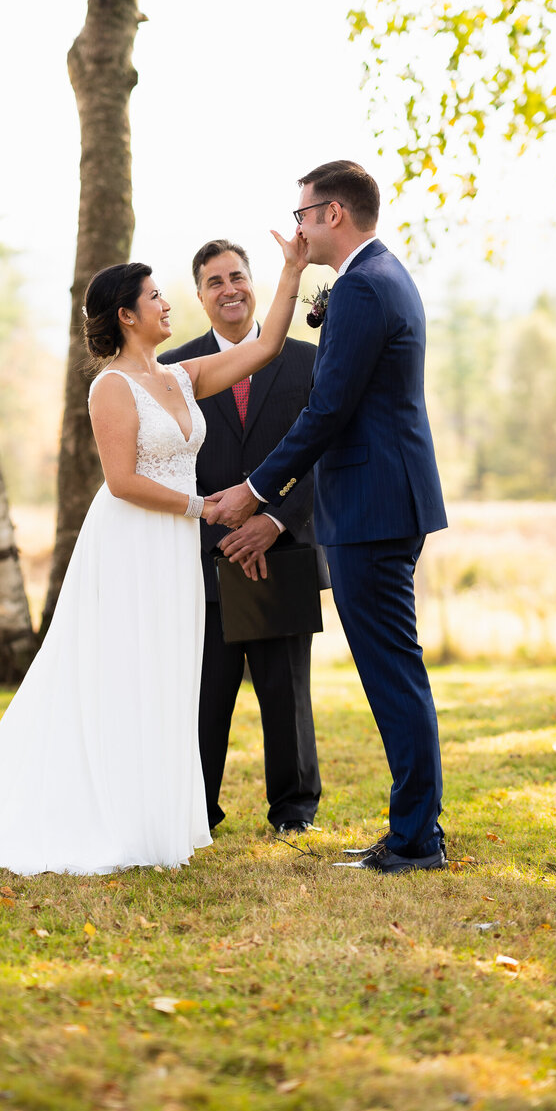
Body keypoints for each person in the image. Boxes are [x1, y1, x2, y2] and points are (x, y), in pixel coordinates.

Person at [0, 231, 307, 877]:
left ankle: (155, 815)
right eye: (156, 297)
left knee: (166, 672)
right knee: (123, 671)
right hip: (132, 541)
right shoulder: (111, 388)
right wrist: (202, 507)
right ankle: (104, 814)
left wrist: (292, 270)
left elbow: (267, 345)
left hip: (172, 549)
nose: (167, 305)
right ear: (127, 315)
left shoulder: (181, 378)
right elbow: (124, 482)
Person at [208, 160, 448, 875]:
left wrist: (256, 488)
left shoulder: (362, 290)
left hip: (372, 507)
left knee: (392, 673)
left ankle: (415, 839)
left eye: (306, 213)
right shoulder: (382, 277)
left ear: (334, 215)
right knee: (394, 670)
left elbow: (327, 409)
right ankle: (413, 828)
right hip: (386, 499)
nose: (300, 225)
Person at [160, 239, 323, 836]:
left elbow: (323, 455)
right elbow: (169, 462)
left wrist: (273, 521)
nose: (229, 289)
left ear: (254, 283)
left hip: (283, 548)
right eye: (214, 281)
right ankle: (196, 811)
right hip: (204, 553)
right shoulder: (176, 369)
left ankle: (295, 811)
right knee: (205, 697)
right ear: (200, 295)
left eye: (237, 276)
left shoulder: (306, 362)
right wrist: (222, 524)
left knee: (286, 693)